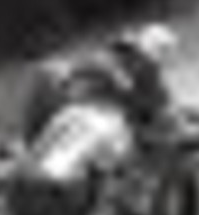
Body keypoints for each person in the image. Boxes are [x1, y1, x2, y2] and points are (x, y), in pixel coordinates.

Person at [22, 23, 181, 143]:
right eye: (164, 53)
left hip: (98, 123)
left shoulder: (141, 70)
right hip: (86, 121)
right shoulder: (116, 60)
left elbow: (159, 104)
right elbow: (95, 66)